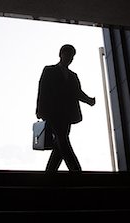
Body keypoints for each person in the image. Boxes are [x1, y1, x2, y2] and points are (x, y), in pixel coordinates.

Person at [36, 44, 96, 172]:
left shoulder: (73, 76)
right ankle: (76, 170)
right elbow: (43, 89)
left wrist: (89, 100)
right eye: (68, 55)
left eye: (72, 56)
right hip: (53, 113)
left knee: (60, 143)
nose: (70, 58)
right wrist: (40, 110)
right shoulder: (49, 70)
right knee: (62, 140)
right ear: (61, 54)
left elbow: (77, 92)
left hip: (67, 115)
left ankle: (49, 172)